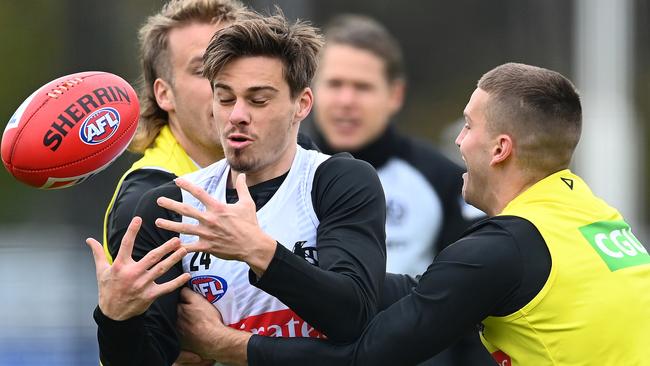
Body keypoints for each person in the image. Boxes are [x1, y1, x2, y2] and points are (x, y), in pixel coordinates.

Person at [174, 62, 650, 366]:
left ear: (501, 148)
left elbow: (367, 358)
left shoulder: (502, 250)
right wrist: (319, 274)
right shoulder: (592, 215)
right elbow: (429, 289)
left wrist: (232, 345)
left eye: (468, 125)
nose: (459, 141)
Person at [86, 11, 387, 366]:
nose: (237, 115)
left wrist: (258, 251)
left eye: (258, 100)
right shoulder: (167, 206)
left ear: (301, 104)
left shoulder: (338, 181)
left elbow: (354, 319)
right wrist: (116, 318)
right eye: (225, 98)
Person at [304, 14, 490, 365]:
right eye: (335, 84)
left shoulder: (445, 180)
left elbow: (472, 306)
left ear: (395, 95)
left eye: (362, 87)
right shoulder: (280, 173)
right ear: (310, 91)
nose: (346, 100)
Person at [102, 0, 245, 262]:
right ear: (164, 94)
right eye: (203, 70)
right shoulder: (148, 198)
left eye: (233, 64)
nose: (225, 85)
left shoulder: (292, 159)